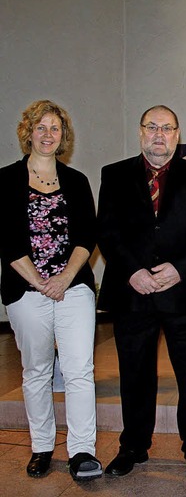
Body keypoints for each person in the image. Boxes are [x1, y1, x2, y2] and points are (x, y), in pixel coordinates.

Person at [97, 105, 186, 476]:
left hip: (182, 292)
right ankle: (133, 446)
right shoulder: (114, 174)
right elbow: (108, 231)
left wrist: (179, 270)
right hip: (133, 292)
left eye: (167, 128)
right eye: (152, 127)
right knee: (135, 374)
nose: (159, 135)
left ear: (177, 134)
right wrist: (132, 271)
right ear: (140, 132)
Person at [0, 100, 102, 481]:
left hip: (72, 288)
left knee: (79, 371)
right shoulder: (5, 179)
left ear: (63, 136)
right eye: (41, 127)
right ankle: (41, 446)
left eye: (55, 128)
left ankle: (82, 451)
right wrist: (38, 281)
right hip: (25, 289)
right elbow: (7, 240)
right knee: (37, 372)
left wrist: (62, 279)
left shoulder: (76, 181)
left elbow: (86, 236)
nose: (48, 134)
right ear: (28, 132)